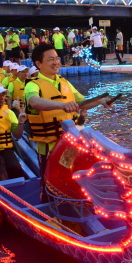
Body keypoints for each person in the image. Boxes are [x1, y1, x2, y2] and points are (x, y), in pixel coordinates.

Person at [24, 44, 111, 202]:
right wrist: (62, 105)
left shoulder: (64, 82)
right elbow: (34, 102)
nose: (56, 62)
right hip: (49, 146)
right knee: (49, 183)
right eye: (51, 59)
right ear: (38, 63)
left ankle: (74, 205)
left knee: (71, 177)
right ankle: (48, 211)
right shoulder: (32, 84)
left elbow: (82, 103)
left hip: (69, 143)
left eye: (57, 58)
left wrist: (100, 101)